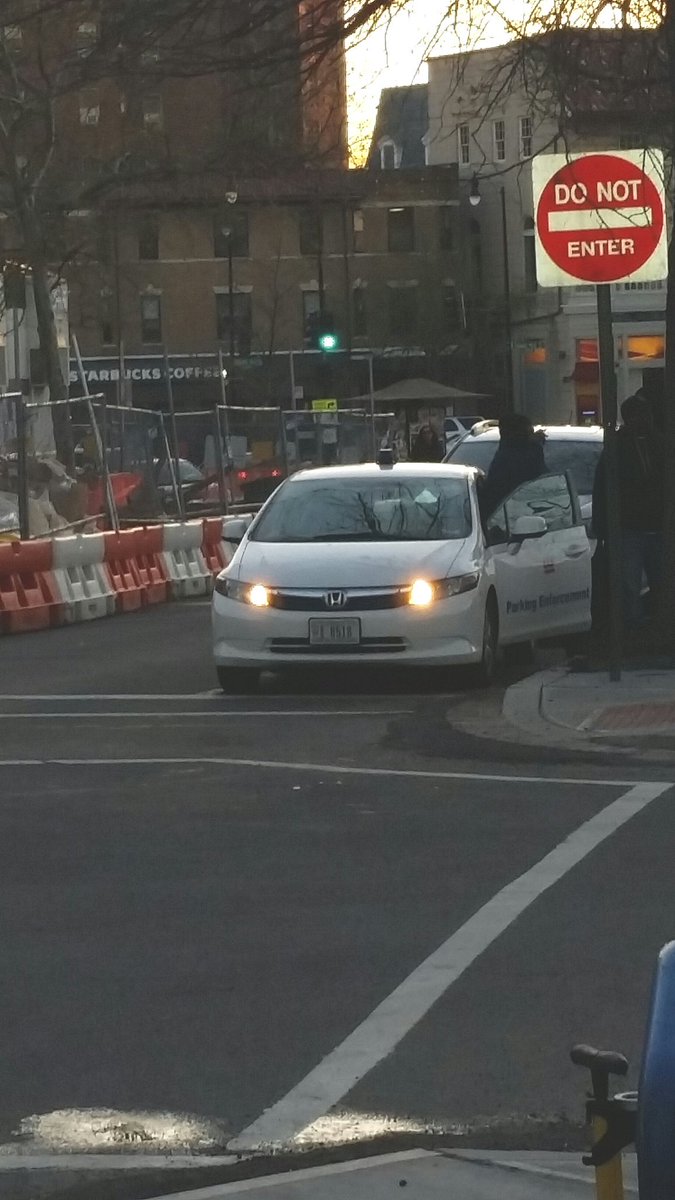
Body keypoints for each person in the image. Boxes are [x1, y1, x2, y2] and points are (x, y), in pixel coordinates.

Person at [592, 392, 664, 629]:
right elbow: (603, 486)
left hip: (655, 524)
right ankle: (633, 626)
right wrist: (602, 527)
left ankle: (659, 622)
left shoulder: (658, 443)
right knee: (629, 583)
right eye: (642, 415)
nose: (647, 419)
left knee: (659, 580)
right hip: (630, 526)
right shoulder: (617, 447)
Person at [479, 413, 546, 517]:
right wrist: (535, 446)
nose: (531, 436)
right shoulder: (513, 459)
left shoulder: (504, 455)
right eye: (529, 433)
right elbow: (537, 476)